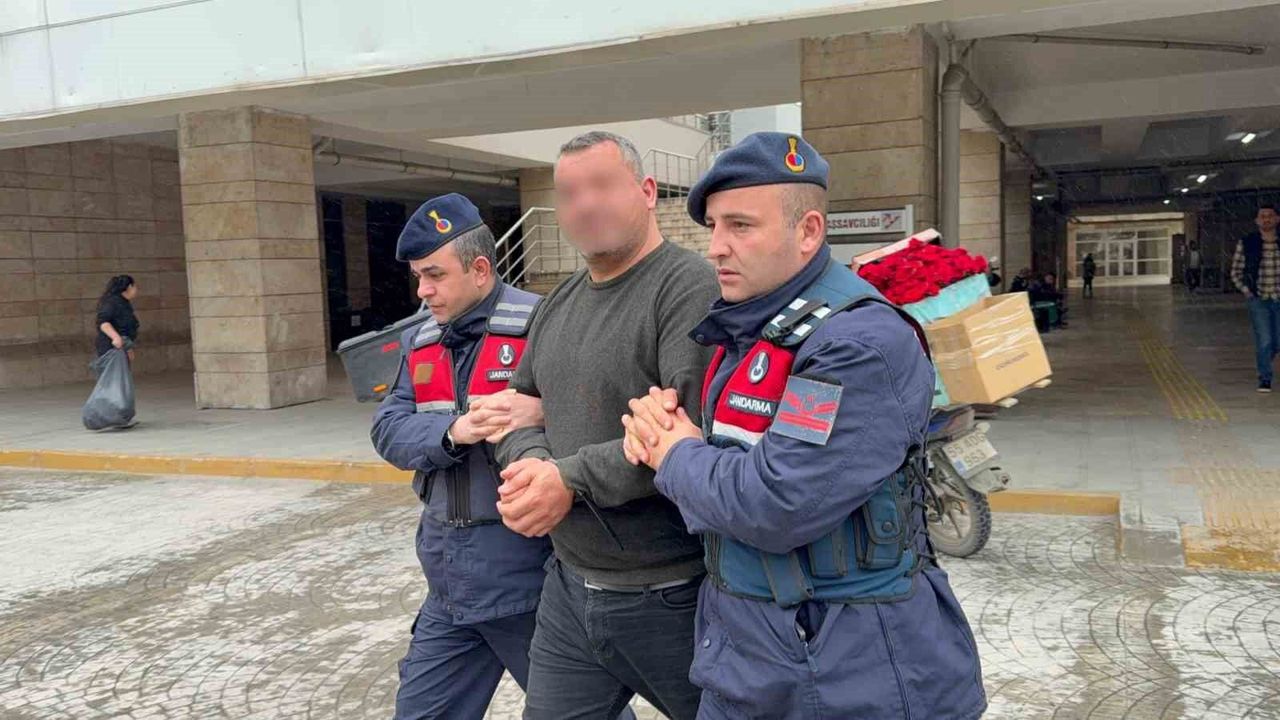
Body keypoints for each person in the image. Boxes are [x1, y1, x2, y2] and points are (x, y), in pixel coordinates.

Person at [620, 132, 986, 719]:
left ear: (809, 231)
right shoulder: (754, 330)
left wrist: (675, 453)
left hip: (847, 670)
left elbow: (779, 502)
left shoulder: (855, 343)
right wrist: (661, 431)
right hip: (752, 653)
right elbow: (724, 455)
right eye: (713, 226)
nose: (716, 247)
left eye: (740, 226)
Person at [491, 131, 719, 720]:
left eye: (602, 185)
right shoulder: (557, 303)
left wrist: (567, 479)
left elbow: (682, 436)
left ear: (647, 192)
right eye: (569, 193)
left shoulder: (687, 287)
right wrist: (536, 465)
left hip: (673, 593)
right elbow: (519, 409)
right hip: (569, 589)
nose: (585, 204)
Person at [370, 194, 557, 720]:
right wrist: (456, 430)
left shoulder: (541, 325)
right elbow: (388, 429)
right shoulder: (420, 340)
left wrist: (540, 412)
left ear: (479, 270)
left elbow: (590, 417)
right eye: (418, 277)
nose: (422, 290)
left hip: (529, 582)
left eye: (435, 275)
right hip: (449, 581)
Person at [1231, 203, 1280, 393]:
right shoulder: (1248, 242)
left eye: (1270, 216)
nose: (1266, 219)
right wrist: (1246, 290)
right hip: (1258, 299)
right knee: (1265, 340)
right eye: (1262, 216)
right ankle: (1264, 378)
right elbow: (1236, 271)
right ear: (1257, 221)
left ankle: (1264, 360)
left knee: (1277, 341)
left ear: (1277, 219)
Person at [96, 274, 139, 362]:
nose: (136, 290)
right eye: (135, 286)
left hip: (121, 346)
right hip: (113, 348)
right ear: (129, 287)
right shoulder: (113, 302)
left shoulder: (123, 302)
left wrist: (128, 348)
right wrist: (115, 337)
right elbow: (103, 322)